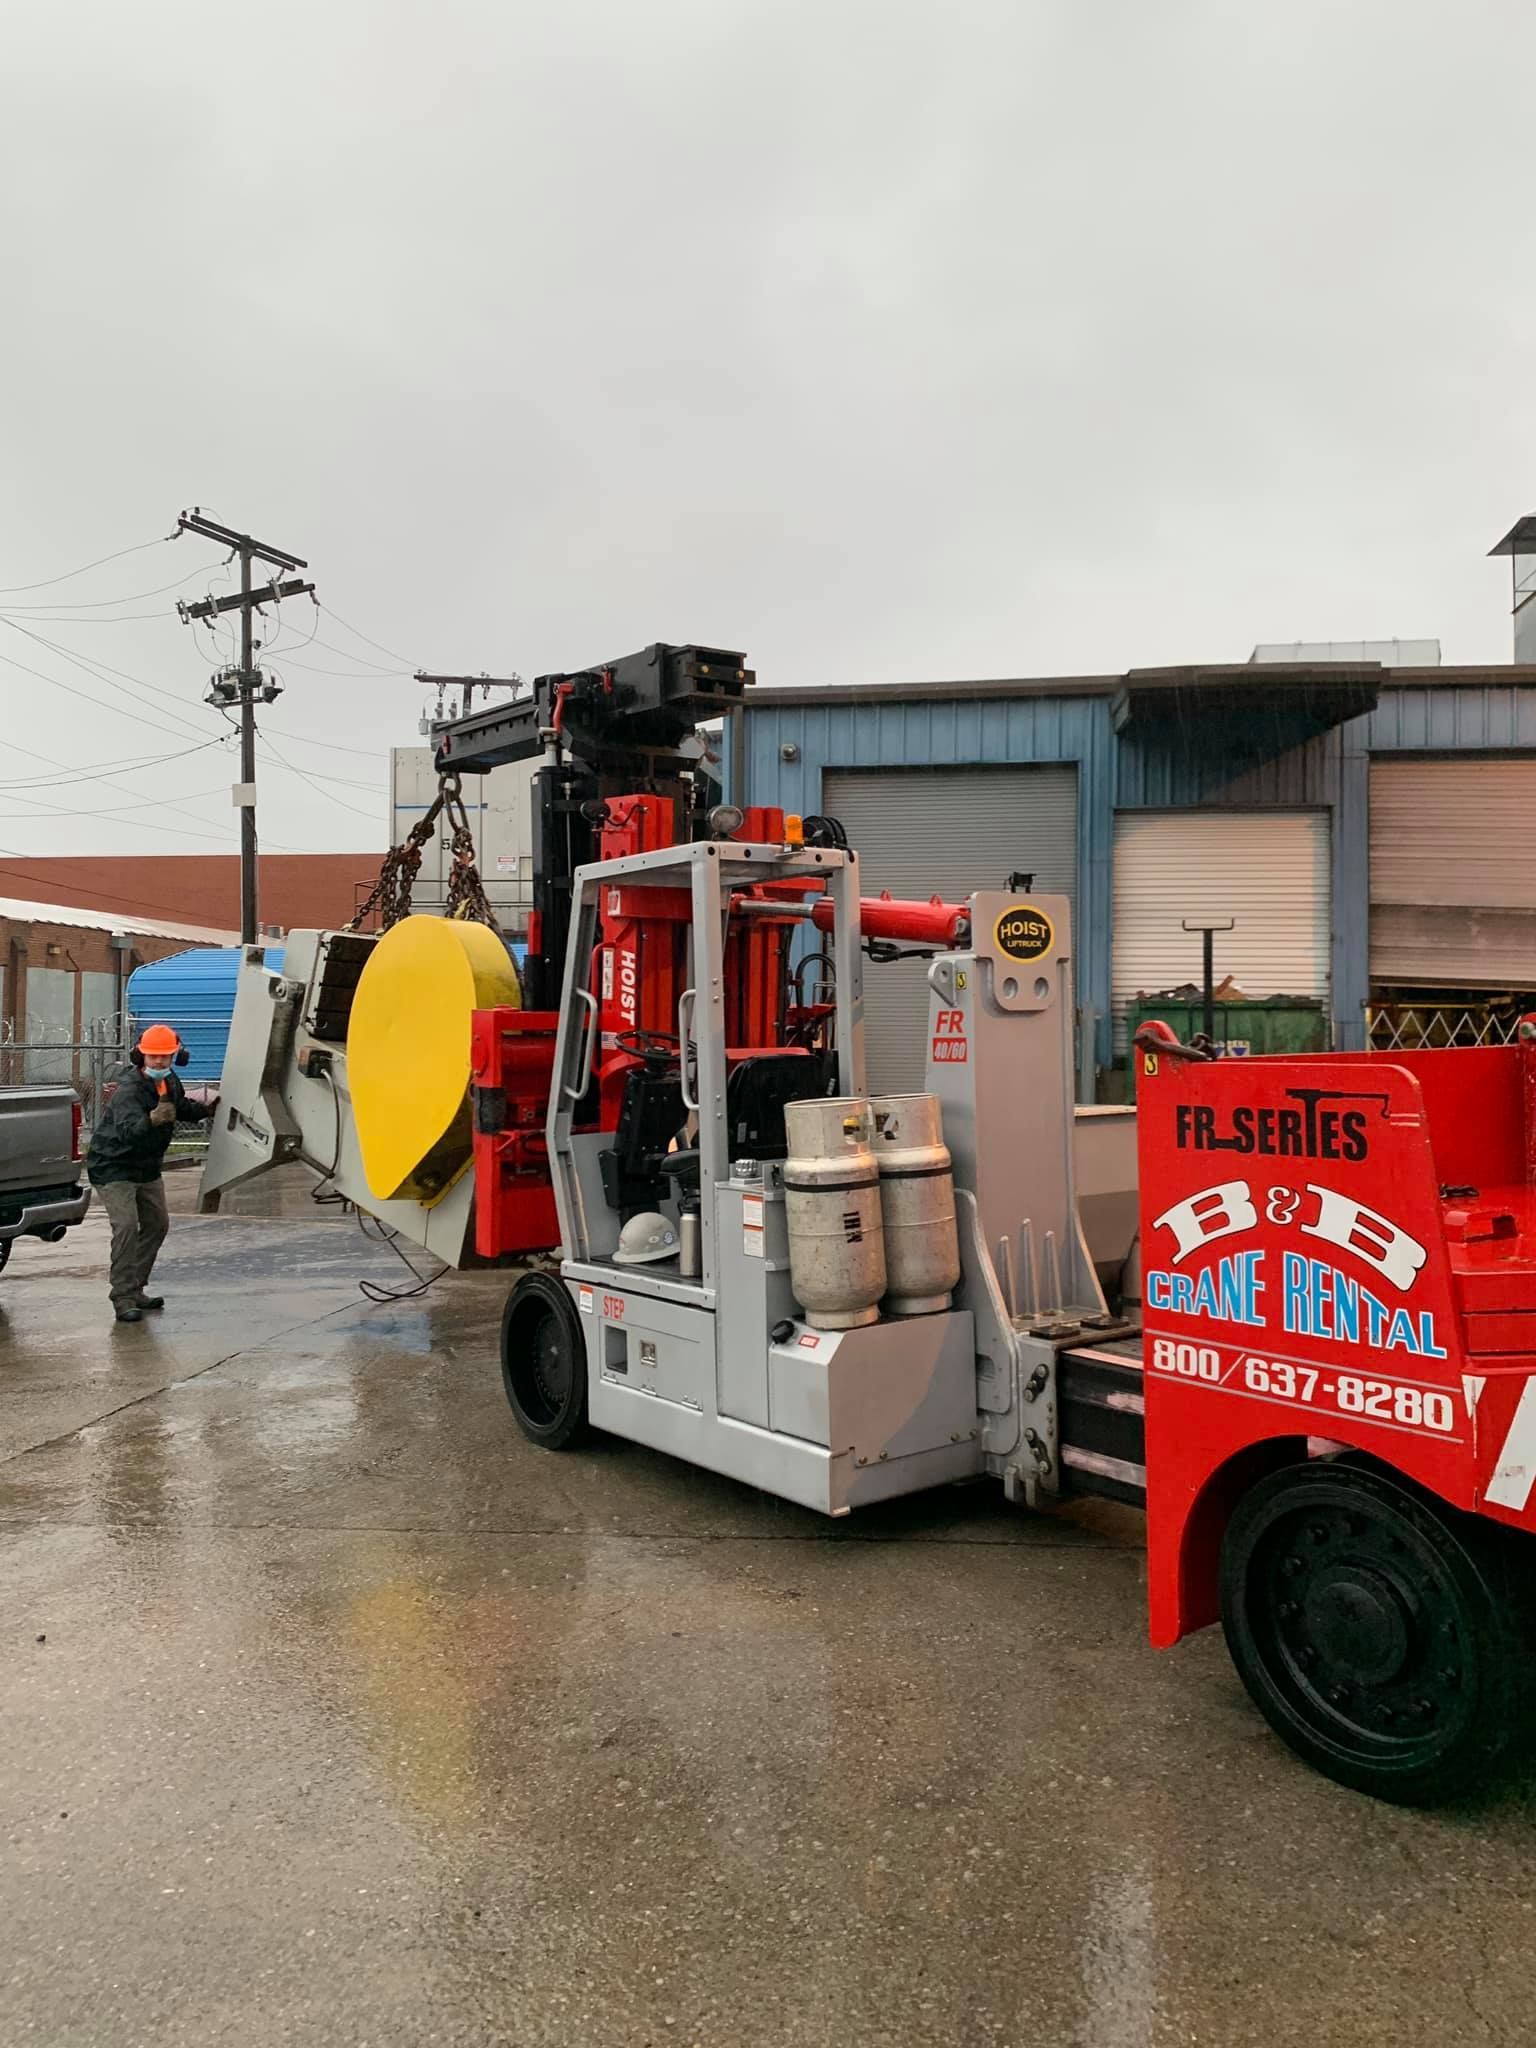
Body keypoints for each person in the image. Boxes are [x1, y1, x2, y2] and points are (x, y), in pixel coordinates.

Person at [86, 1023, 212, 1324]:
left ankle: (136, 1287)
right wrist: (152, 1120)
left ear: (175, 1057)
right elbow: (129, 1132)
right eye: (152, 1057)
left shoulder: (170, 1080)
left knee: (157, 1224)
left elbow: (180, 1107)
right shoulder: (129, 1089)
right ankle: (123, 1297)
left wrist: (208, 1108)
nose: (158, 1063)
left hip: (146, 1167)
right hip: (114, 1166)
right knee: (127, 1226)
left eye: (164, 1057)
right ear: (140, 1056)